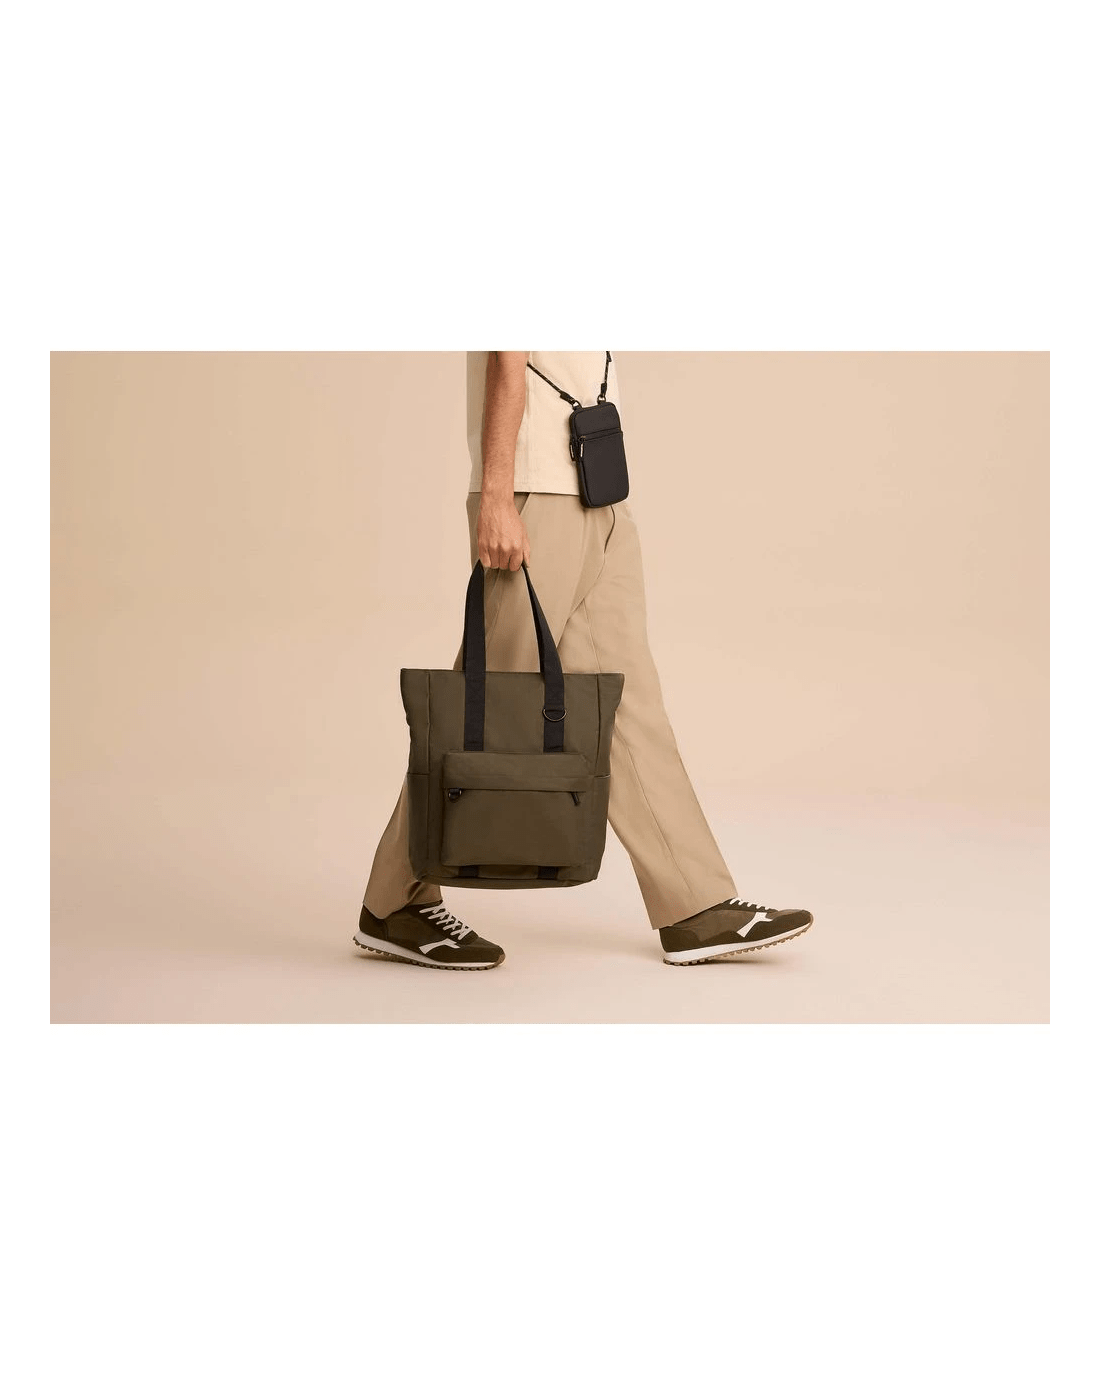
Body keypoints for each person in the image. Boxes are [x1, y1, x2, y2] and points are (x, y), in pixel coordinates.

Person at [354, 351, 814, 970]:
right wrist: (497, 496)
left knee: (629, 706)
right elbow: (506, 360)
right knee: (485, 708)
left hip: (597, 483)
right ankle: (394, 903)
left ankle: (694, 904)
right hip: (535, 490)